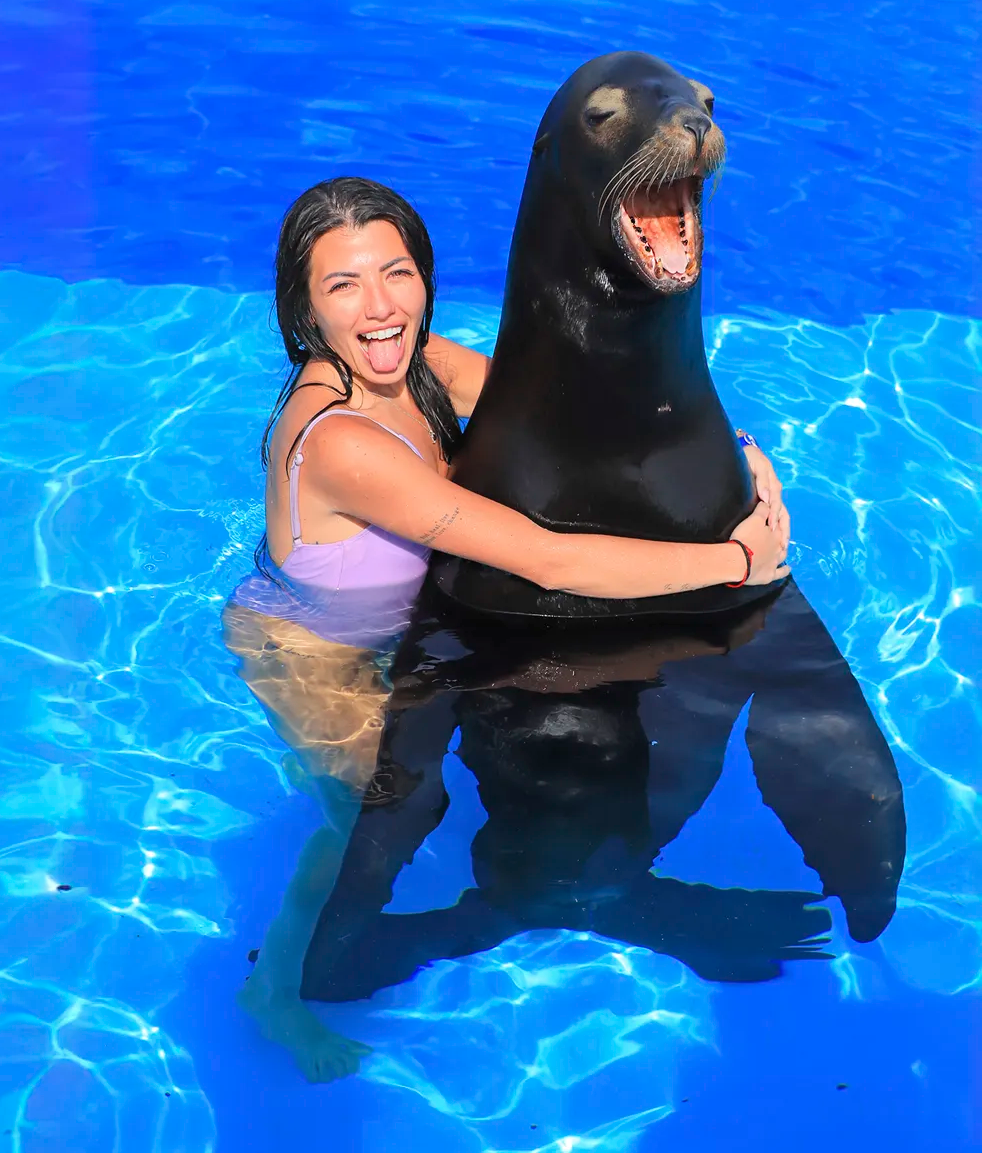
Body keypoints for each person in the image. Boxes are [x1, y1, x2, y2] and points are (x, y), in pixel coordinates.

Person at [226, 175, 789, 1082]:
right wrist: (737, 562)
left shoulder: (416, 365)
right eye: (344, 286)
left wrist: (721, 467)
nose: (379, 308)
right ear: (305, 310)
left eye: (397, 273)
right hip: (315, 651)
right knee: (375, 814)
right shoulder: (340, 439)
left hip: (405, 628)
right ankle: (278, 993)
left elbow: (557, 420)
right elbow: (549, 560)